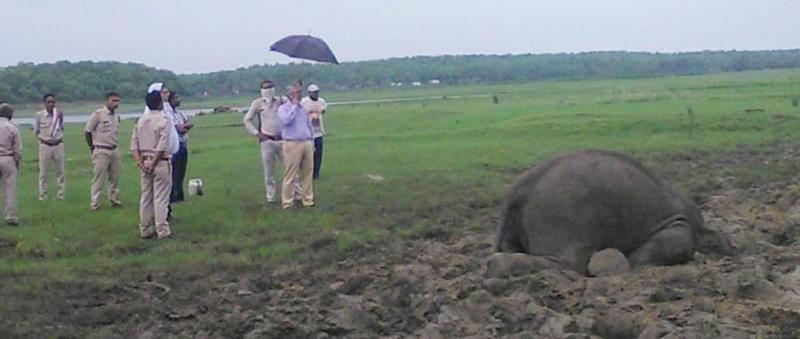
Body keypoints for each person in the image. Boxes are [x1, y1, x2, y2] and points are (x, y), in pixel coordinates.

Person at [131, 90, 173, 239]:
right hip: (159, 162)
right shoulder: (164, 120)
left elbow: (133, 146)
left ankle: (144, 228)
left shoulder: (140, 121)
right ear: (160, 103)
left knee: (146, 196)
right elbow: (161, 147)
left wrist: (141, 163)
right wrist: (153, 164)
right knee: (161, 197)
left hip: (144, 159)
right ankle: (162, 230)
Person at [244, 80, 289, 203]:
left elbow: (293, 108)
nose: (268, 89)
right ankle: (271, 197)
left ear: (274, 88)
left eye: (270, 87)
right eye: (265, 88)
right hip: (267, 141)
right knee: (268, 172)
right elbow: (247, 120)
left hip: (282, 140)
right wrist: (256, 133)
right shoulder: (258, 103)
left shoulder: (281, 100)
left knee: (290, 168)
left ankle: (296, 194)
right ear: (261, 90)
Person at [278, 84, 315, 209]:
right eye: (297, 93)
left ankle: (307, 200)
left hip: (306, 142)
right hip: (292, 143)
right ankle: (287, 202)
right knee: (290, 174)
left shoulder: (303, 109)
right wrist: (294, 107)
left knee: (308, 173)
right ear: (291, 95)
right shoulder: (283, 108)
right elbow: (286, 121)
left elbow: (308, 125)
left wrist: (312, 140)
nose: (300, 95)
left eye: (300, 92)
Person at [84, 92, 123, 210]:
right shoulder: (98, 114)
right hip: (101, 149)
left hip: (114, 149)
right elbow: (87, 131)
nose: (116, 103)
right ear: (106, 101)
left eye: (117, 101)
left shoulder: (116, 116)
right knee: (99, 178)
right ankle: (95, 203)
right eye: (113, 100)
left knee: (115, 177)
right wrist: (92, 147)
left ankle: (114, 200)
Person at [34, 94, 65, 200]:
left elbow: (61, 128)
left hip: (58, 145)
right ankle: (43, 194)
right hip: (45, 145)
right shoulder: (39, 115)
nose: (51, 104)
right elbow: (36, 131)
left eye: (53, 102)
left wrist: (60, 118)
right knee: (43, 171)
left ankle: (61, 193)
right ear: (44, 103)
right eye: (49, 102)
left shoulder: (59, 114)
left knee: (60, 171)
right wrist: (43, 139)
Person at [167, 92, 193, 203]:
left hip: (183, 145)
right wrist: (183, 127)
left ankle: (179, 194)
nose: (179, 99)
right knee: (174, 172)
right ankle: (172, 195)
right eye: (176, 98)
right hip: (174, 148)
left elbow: (188, 124)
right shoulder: (168, 115)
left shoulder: (180, 114)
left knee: (181, 172)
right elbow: (180, 129)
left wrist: (183, 127)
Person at [300, 84, 328, 180]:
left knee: (318, 154)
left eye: (317, 92)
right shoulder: (304, 102)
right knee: (308, 154)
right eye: (314, 92)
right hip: (308, 133)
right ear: (310, 93)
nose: (316, 94)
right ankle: (307, 172)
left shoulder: (321, 101)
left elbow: (324, 109)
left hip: (318, 131)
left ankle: (316, 174)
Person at [0, 104, 21, 225]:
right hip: (8, 159)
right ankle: (11, 216)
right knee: (10, 189)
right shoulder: (13, 127)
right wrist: (17, 163)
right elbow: (18, 149)